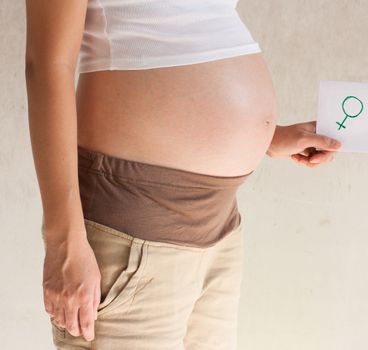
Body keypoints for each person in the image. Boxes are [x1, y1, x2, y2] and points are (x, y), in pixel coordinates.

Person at [24, 0, 342, 349]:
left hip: (221, 230)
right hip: (134, 228)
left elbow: (188, 32)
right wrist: (63, 243)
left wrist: (265, 134)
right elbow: (47, 65)